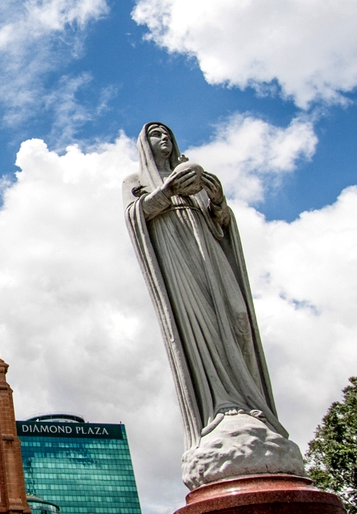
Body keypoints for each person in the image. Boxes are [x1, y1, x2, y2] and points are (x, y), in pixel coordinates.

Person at [123, 122, 289, 459]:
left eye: (167, 132)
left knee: (238, 317)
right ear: (144, 145)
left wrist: (217, 201)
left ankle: (249, 399)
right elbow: (135, 216)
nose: (164, 137)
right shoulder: (136, 182)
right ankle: (221, 405)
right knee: (202, 327)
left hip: (209, 253)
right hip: (178, 260)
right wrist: (166, 192)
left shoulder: (194, 177)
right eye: (155, 134)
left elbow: (222, 224)